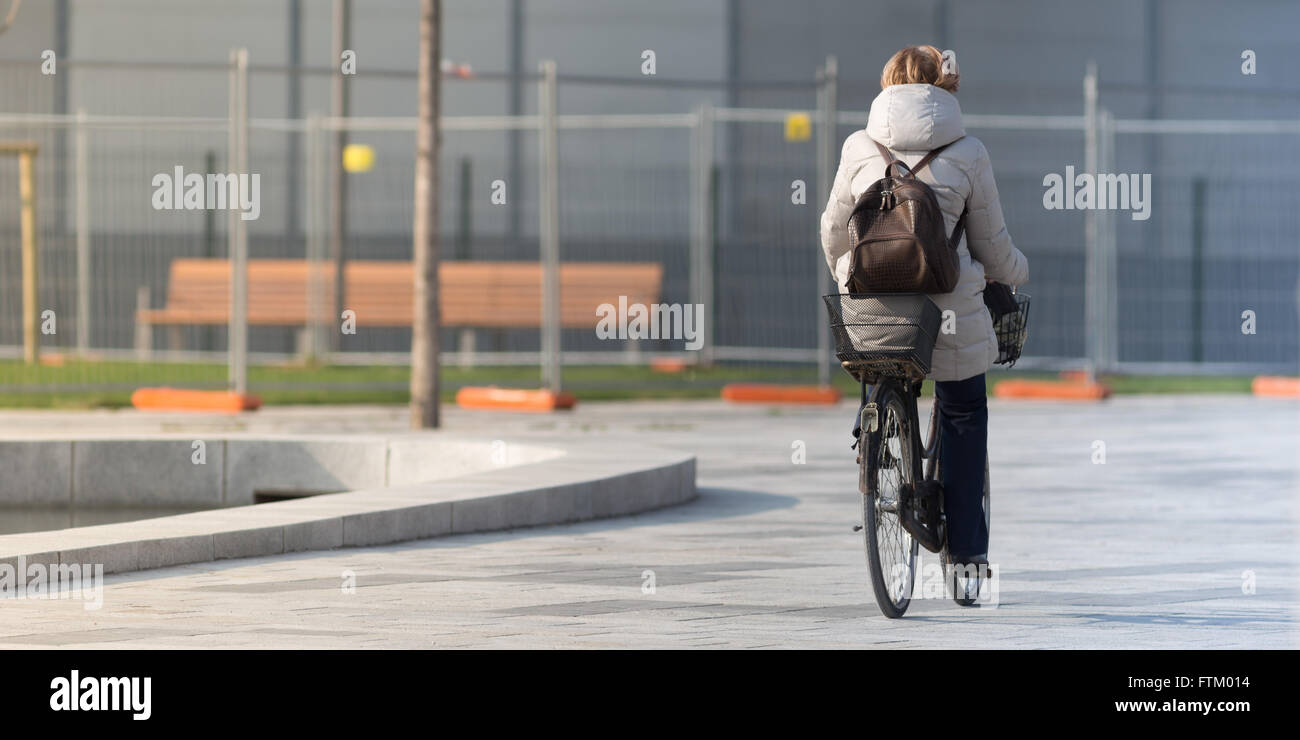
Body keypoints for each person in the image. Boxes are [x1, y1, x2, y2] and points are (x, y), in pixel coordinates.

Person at [819, 45, 1028, 567]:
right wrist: (1017, 272)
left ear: (887, 85)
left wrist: (849, 277)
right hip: (949, 310)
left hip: (875, 310)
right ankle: (966, 559)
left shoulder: (858, 146)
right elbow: (992, 245)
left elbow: (832, 230)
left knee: (885, 370)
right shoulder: (969, 152)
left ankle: (883, 429)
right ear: (945, 89)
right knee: (962, 413)